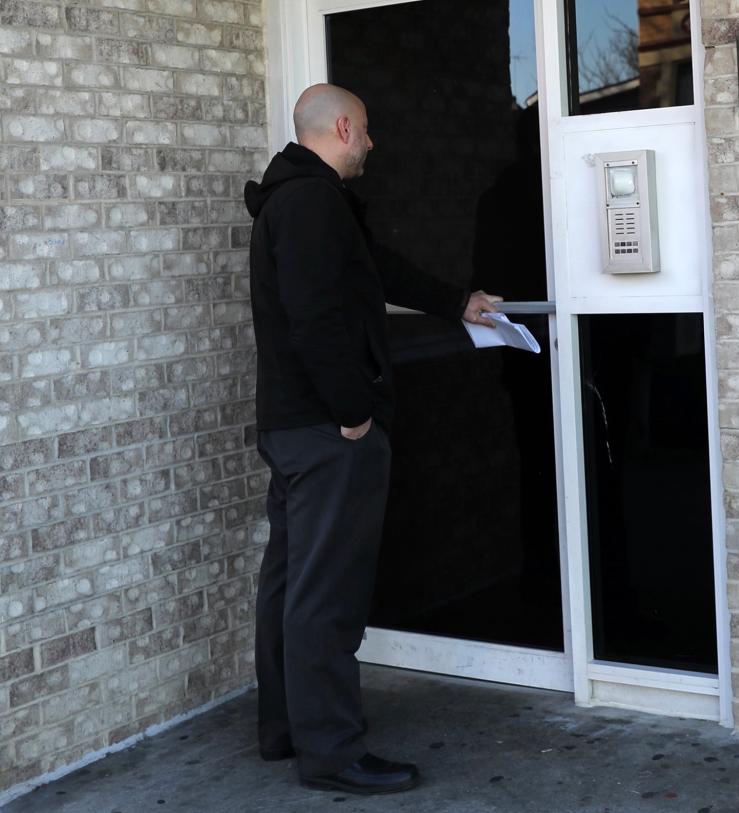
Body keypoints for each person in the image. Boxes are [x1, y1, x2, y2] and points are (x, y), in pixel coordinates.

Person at [243, 84, 501, 795]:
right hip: (325, 430)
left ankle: (287, 727)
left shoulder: (301, 198)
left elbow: (375, 267)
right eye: (369, 134)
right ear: (345, 127)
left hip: (297, 425)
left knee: (293, 580)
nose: (374, 148)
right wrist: (352, 410)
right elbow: (315, 318)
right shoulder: (308, 203)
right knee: (326, 593)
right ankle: (330, 752)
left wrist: (455, 300)